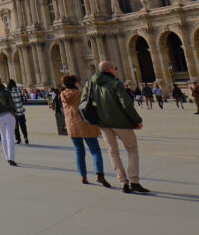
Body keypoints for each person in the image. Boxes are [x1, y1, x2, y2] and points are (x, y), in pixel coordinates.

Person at [83, 61, 148, 193]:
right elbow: (126, 104)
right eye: (115, 68)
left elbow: (83, 101)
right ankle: (134, 181)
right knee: (132, 149)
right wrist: (137, 120)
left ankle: (123, 181)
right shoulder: (115, 83)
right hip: (120, 122)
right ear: (110, 69)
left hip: (103, 123)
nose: (116, 70)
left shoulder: (89, 83)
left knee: (113, 152)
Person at [60, 75, 110, 186]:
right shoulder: (82, 93)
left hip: (72, 125)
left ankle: (83, 176)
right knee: (95, 150)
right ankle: (99, 174)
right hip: (86, 124)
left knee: (79, 152)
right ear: (75, 83)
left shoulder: (62, 95)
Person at [8, 79, 29, 144]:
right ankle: (25, 137)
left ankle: (18, 139)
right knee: (23, 125)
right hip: (21, 111)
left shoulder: (9, 92)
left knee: (15, 126)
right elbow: (24, 99)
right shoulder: (19, 90)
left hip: (13, 112)